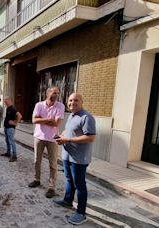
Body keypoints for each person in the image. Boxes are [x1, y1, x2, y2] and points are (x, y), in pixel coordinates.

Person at [54, 93, 96, 225]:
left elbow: (90, 137)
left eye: (76, 100)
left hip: (79, 159)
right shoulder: (71, 116)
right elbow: (67, 130)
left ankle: (81, 213)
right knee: (69, 180)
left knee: (80, 185)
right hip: (68, 156)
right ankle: (68, 200)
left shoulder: (87, 117)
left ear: (82, 102)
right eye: (70, 100)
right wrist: (61, 136)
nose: (73, 102)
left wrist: (68, 139)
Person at [28, 86, 65, 199]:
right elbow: (34, 120)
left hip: (52, 138)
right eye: (54, 93)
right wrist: (49, 119)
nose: (55, 95)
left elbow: (56, 123)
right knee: (36, 161)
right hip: (39, 137)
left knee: (53, 164)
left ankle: (52, 187)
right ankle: (37, 179)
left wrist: (41, 119)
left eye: (57, 93)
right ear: (48, 93)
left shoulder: (60, 106)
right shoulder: (39, 105)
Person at [1, 97, 22, 162]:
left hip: (10, 128)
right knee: (7, 141)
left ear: (9, 100)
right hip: (7, 127)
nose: (4, 102)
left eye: (5, 101)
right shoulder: (8, 108)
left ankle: (14, 156)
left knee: (11, 142)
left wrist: (15, 123)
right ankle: (8, 153)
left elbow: (19, 116)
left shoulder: (13, 108)